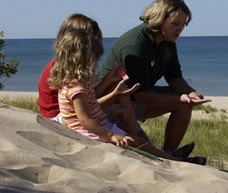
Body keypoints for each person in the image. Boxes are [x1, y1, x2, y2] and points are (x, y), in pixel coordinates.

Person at [48, 28, 204, 165]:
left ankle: (170, 157)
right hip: (92, 131)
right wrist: (112, 135)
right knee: (139, 143)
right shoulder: (76, 87)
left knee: (140, 141)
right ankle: (174, 161)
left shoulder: (79, 83)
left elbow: (89, 105)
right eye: (94, 61)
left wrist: (109, 108)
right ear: (83, 60)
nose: (96, 64)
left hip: (99, 125)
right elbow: (84, 120)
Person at [98, 0, 210, 153]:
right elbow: (140, 94)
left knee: (185, 104)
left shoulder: (167, 42)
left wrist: (191, 93)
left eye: (183, 25)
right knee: (146, 148)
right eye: (175, 24)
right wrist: (180, 99)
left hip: (138, 98)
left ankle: (170, 152)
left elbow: (174, 77)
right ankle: (164, 156)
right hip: (114, 103)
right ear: (159, 20)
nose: (180, 29)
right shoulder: (134, 46)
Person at [37, 14, 134, 122]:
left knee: (116, 87)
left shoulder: (72, 65)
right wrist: (113, 95)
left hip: (70, 111)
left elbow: (87, 96)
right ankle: (130, 133)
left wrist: (107, 80)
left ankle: (131, 133)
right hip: (60, 117)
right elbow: (81, 107)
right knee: (118, 92)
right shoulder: (64, 68)